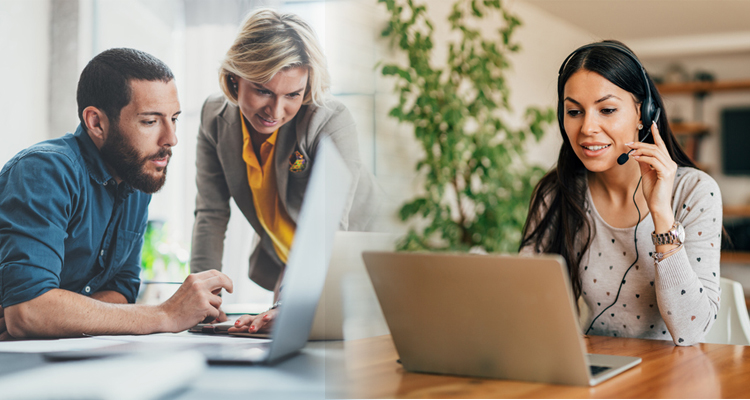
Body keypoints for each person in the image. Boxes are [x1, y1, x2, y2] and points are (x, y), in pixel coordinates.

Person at [0, 48, 233, 341]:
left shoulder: (136, 178)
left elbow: (122, 290)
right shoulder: (44, 171)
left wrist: (57, 312)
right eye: (150, 121)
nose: (171, 138)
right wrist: (165, 314)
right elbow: (29, 312)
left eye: (173, 118)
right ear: (97, 122)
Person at [520, 40, 721, 346]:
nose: (587, 127)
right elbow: (524, 303)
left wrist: (662, 215)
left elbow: (690, 332)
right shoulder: (557, 192)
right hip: (596, 369)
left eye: (607, 109)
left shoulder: (694, 191)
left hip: (676, 374)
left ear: (643, 113)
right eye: (574, 111)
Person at [190, 8, 377, 335]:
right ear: (235, 78)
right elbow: (211, 214)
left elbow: (326, 229)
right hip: (290, 266)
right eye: (263, 90)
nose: (276, 111)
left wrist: (289, 303)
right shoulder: (213, 118)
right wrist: (202, 299)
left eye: (293, 94)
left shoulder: (329, 122)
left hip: (356, 268)